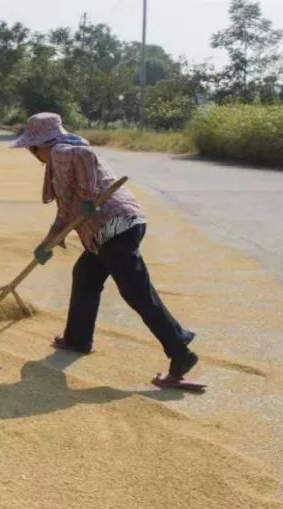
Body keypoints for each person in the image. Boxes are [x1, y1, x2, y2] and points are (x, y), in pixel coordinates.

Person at [14, 112, 199, 382]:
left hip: (114, 227)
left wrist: (89, 195)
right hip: (114, 228)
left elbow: (82, 156)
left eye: (32, 149)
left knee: (137, 292)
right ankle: (77, 338)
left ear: (40, 145)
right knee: (85, 276)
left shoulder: (61, 151)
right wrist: (48, 243)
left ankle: (180, 352)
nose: (34, 156)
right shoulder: (62, 156)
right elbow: (66, 212)